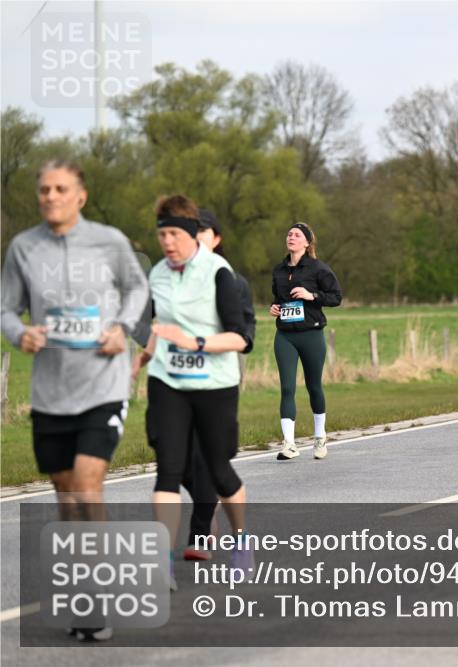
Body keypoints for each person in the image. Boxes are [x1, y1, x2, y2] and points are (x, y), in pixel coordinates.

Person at [1, 160, 148, 642]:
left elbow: (138, 287)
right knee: (66, 497)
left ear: (80, 196)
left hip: (102, 386)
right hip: (50, 392)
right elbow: (5, 307)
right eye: (43, 189)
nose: (50, 196)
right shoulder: (24, 247)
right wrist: (19, 333)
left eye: (61, 188)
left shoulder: (108, 242)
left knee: (87, 486)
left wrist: (122, 328)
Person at [137, 194, 253, 592]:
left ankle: (241, 542)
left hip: (214, 386)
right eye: (161, 234)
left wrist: (193, 342)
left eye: (174, 234)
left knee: (219, 472)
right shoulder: (157, 274)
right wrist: (143, 358)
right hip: (168, 381)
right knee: (167, 468)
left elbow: (239, 338)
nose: (167, 242)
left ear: (191, 234)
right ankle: (162, 562)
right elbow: (159, 324)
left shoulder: (219, 273)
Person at [270, 223, 342, 460]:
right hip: (285, 336)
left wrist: (312, 296)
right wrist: (275, 308)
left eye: (297, 235)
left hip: (311, 334)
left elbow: (336, 297)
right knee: (287, 388)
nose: (291, 237)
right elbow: (277, 299)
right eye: (289, 233)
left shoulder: (318, 268)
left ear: (307, 243)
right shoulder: (279, 270)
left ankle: (320, 437)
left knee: (314, 387)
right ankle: (289, 444)